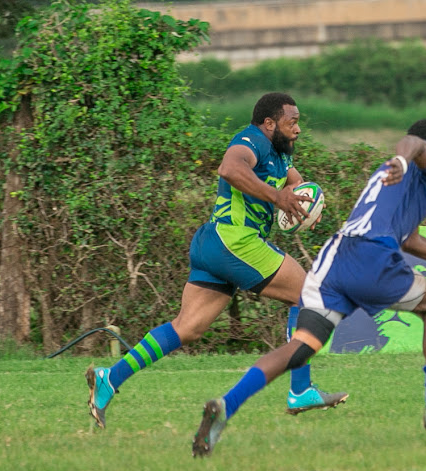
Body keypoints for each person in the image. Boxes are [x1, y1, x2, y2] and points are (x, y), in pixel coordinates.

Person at [192, 118, 426, 457]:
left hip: (335, 257)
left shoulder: (385, 174)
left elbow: (410, 240)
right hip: (372, 257)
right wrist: (404, 157)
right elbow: (416, 145)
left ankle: (227, 404)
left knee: (302, 346)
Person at [86, 92, 348, 429]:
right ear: (269, 124)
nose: (297, 129)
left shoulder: (279, 155)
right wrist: (277, 197)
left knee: (188, 328)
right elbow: (229, 167)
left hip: (214, 244)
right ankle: (300, 390)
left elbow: (294, 181)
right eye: (291, 122)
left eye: (298, 122)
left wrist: (306, 200)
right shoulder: (250, 140)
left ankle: (111, 377)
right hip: (234, 240)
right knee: (308, 294)